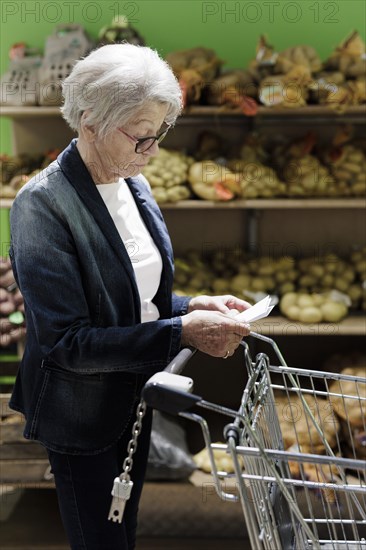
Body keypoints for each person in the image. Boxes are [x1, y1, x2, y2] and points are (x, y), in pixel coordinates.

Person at [9, 43, 251, 550]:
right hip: (82, 414)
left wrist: (192, 305)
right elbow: (65, 343)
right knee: (101, 540)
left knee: (124, 530)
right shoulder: (43, 206)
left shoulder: (131, 183)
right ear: (91, 121)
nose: (154, 150)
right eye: (142, 135)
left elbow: (136, 297)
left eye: (160, 133)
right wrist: (180, 332)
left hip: (133, 399)